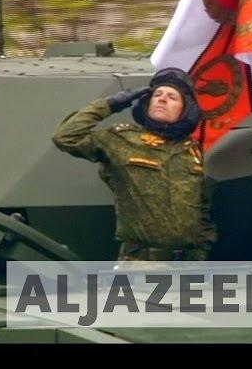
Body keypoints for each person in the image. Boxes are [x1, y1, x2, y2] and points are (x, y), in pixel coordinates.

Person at [52, 67, 217, 261]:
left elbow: (201, 210)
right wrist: (111, 104)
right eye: (157, 95)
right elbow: (65, 137)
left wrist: (202, 250)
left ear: (185, 109)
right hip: (140, 265)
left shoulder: (191, 151)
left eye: (172, 97)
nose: (162, 99)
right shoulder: (122, 139)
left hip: (187, 266)